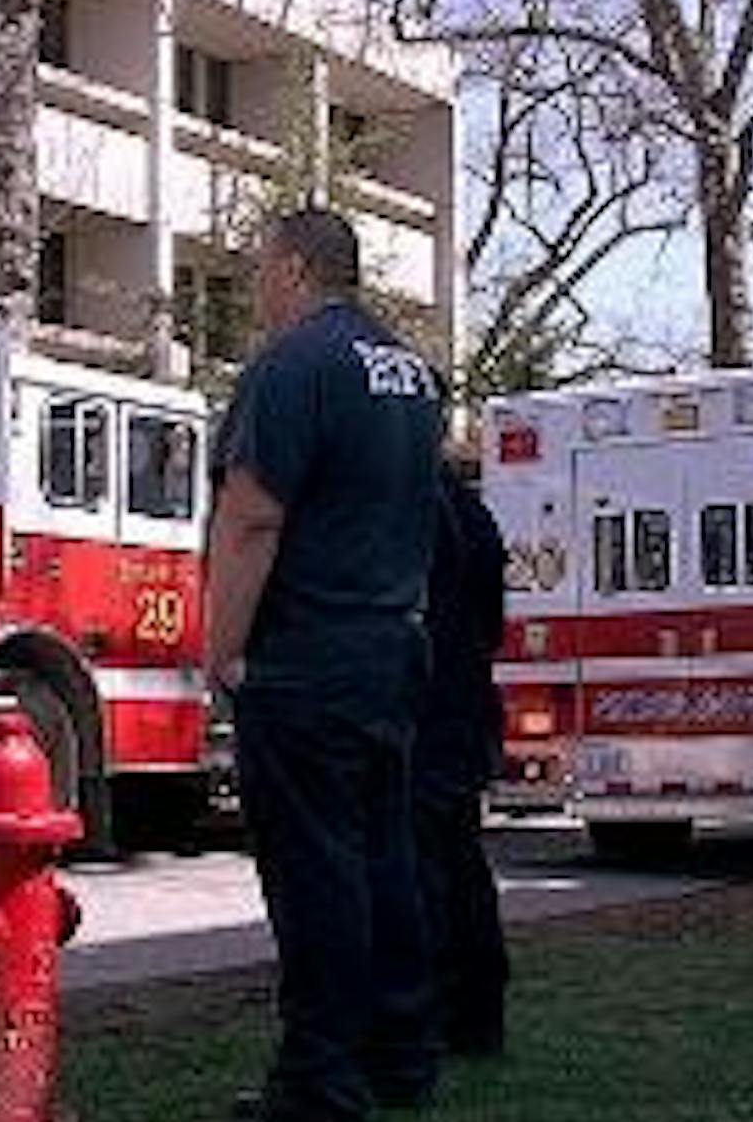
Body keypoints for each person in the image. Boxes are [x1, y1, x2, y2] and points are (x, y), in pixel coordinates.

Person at [206, 208, 443, 1122]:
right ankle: (403, 1054)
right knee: (386, 856)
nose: (256, 288)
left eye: (261, 269)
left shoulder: (293, 365)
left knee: (316, 873)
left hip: (305, 657)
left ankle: (319, 1081)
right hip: (390, 648)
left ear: (299, 268)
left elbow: (252, 513)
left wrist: (221, 646)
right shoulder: (410, 375)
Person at [414, 450, 510, 1057]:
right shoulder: (471, 511)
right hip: (466, 702)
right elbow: (492, 619)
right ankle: (477, 1012)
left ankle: (434, 1010)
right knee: (460, 862)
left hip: (425, 706)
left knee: (423, 865)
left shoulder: (405, 504)